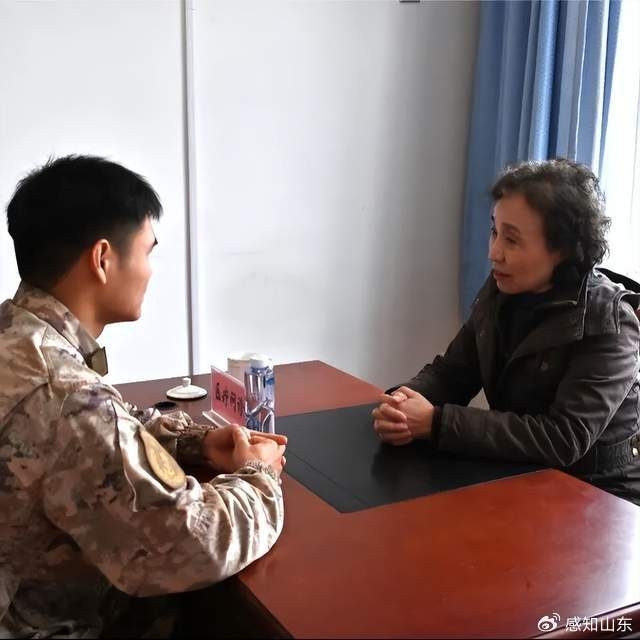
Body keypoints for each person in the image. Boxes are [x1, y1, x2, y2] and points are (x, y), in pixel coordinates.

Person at [0, 155, 287, 638]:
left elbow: (101, 422)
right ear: (103, 259)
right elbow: (193, 546)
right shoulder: (64, 393)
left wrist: (194, 443)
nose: (151, 271)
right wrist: (259, 475)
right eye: (148, 251)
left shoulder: (18, 335)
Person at [372, 158, 640, 505]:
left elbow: (563, 438)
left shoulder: (611, 321)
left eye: (512, 240)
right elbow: (453, 372)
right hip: (522, 474)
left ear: (563, 250)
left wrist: (436, 422)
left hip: (601, 497)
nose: (493, 253)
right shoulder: (502, 290)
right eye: (495, 232)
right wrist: (402, 402)